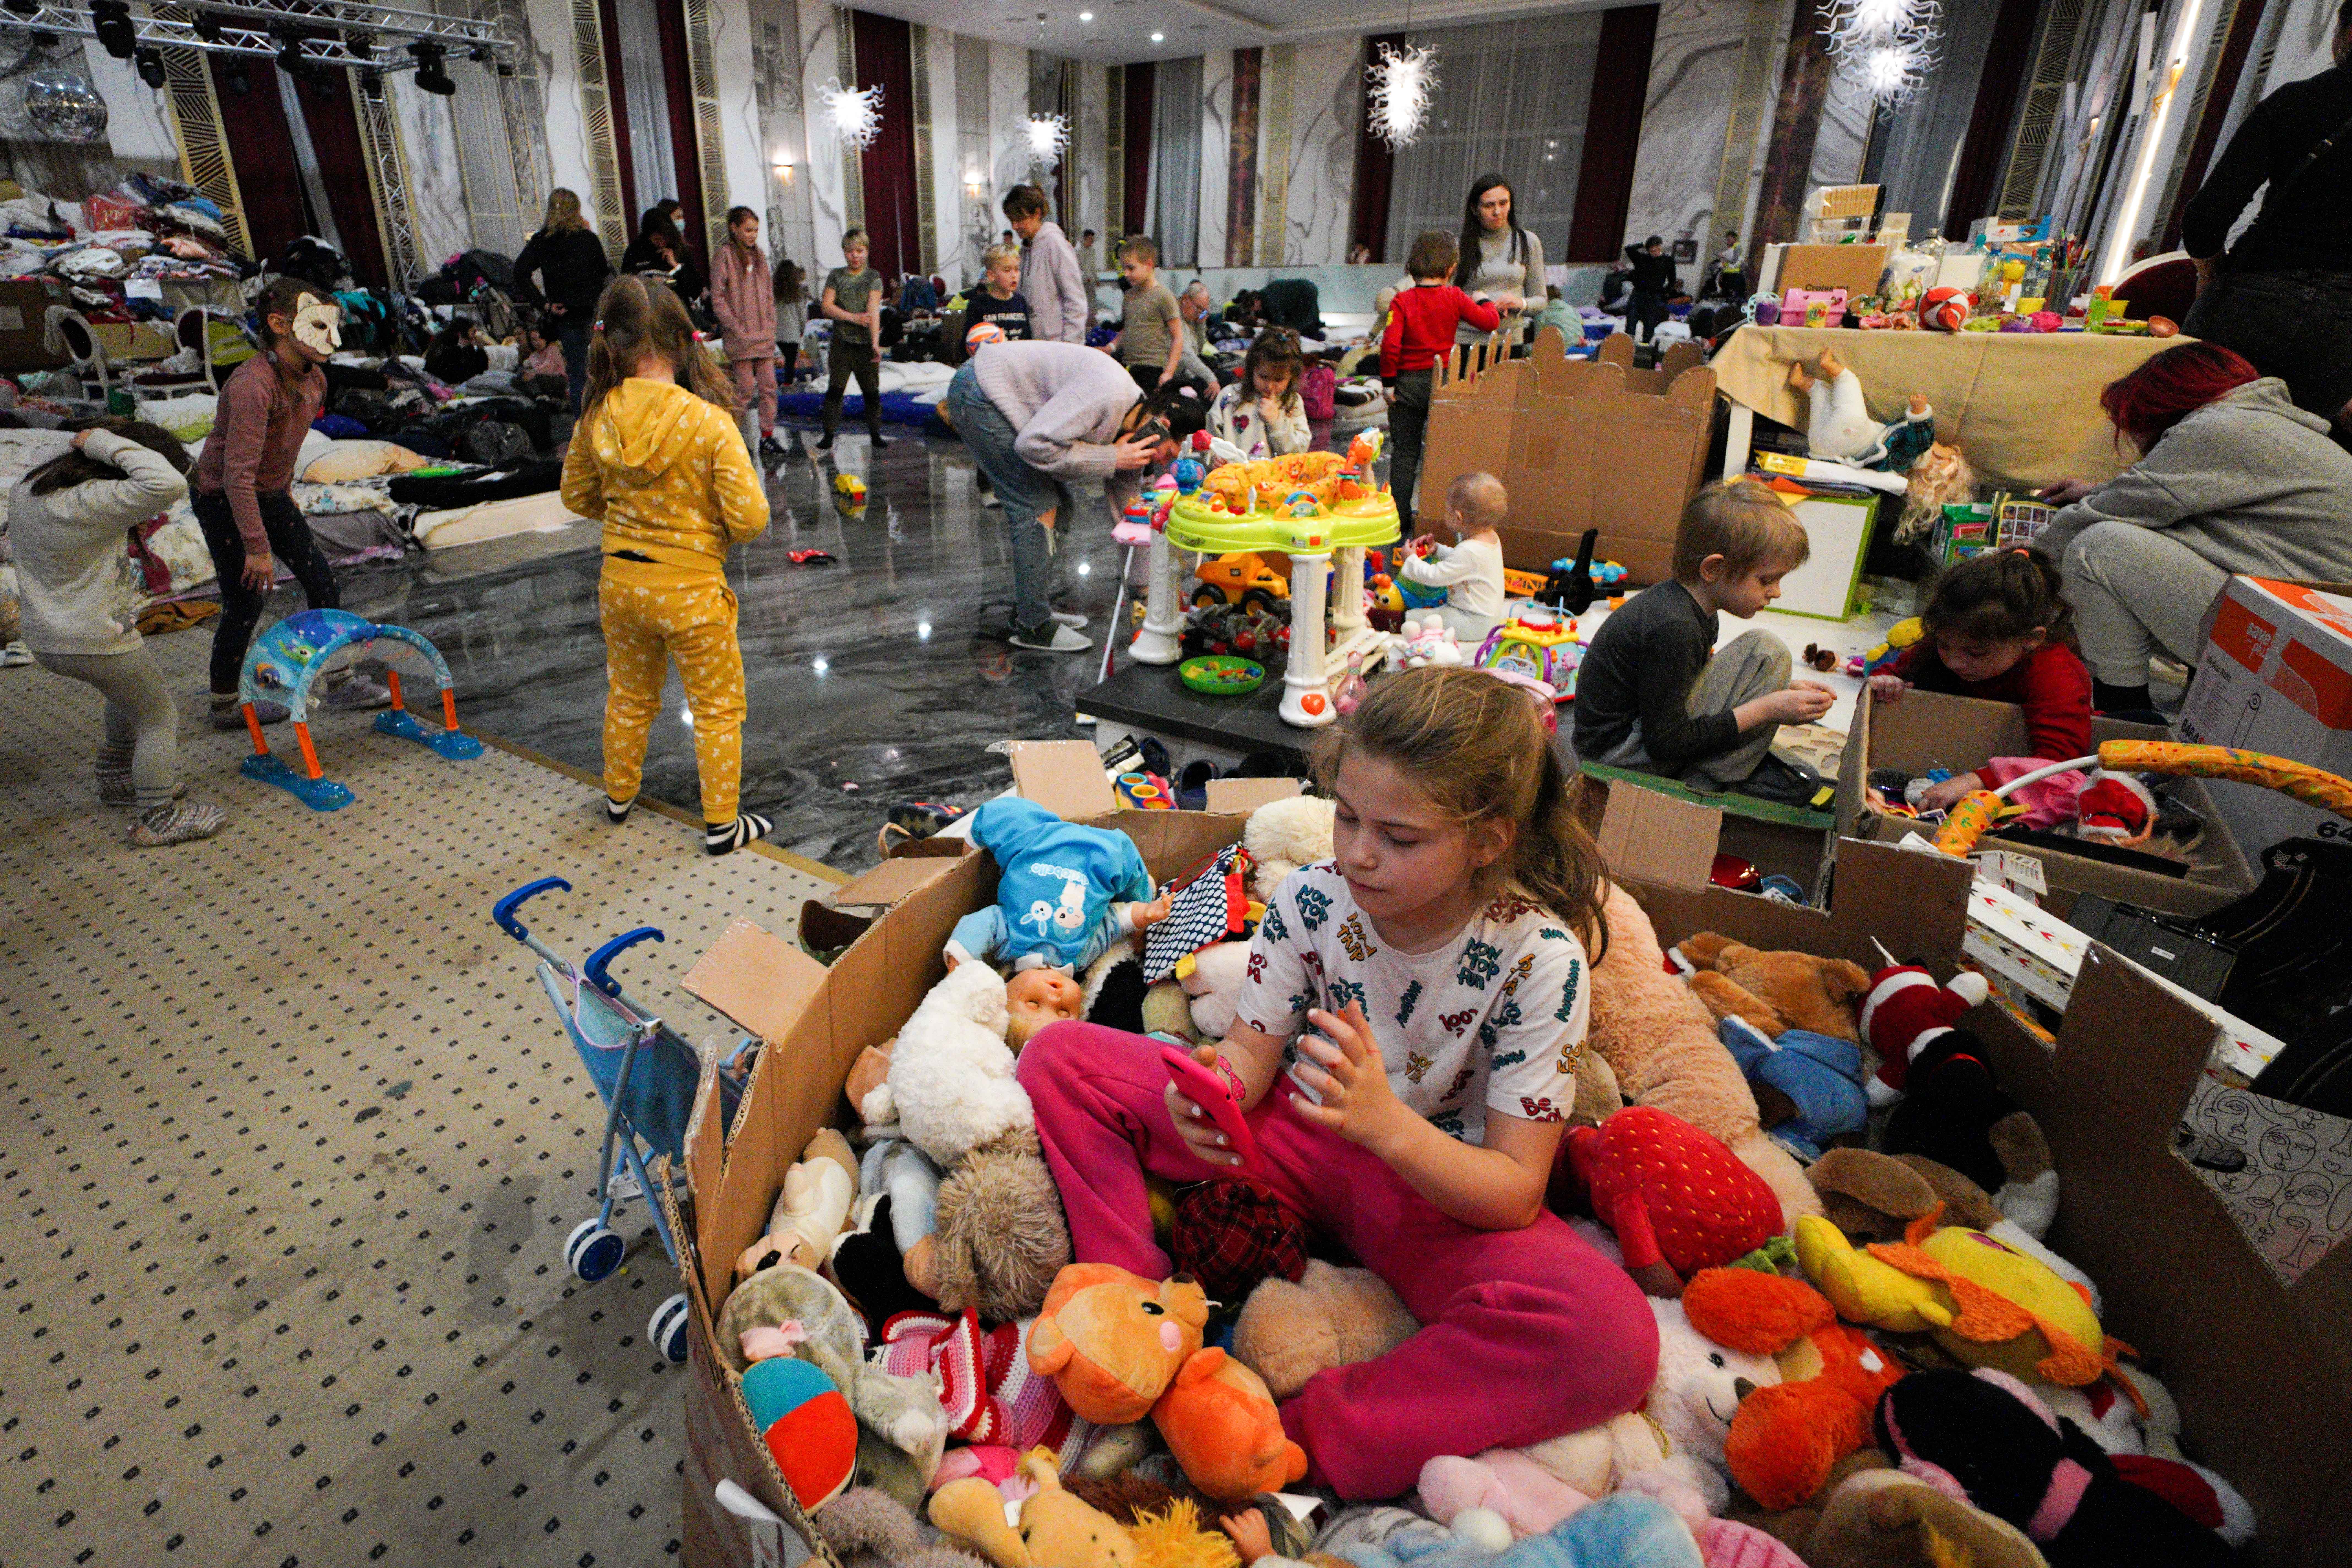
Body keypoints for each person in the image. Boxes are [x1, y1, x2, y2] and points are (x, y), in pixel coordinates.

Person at [1015, 667, 1658, 1500]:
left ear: (1490, 839)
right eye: (1347, 816)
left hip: (1437, 1192)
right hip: (1295, 1133)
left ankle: (1289, 1438)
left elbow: (1511, 1191)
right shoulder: (1315, 898)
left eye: (1398, 835)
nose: (1358, 851)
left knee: (1611, 1337)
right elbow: (1250, 1052)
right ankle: (1136, 1310)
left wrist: (1386, 1124)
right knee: (1061, 1055)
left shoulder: (1541, 961)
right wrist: (1213, 1085)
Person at [561, 275, 773, 856]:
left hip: (621, 584)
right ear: (683, 340)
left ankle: (619, 795)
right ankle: (723, 825)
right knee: (715, 706)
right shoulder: (707, 422)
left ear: (614, 344)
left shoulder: (597, 415)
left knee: (629, 694)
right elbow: (751, 517)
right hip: (691, 591)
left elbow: (576, 498)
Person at [2032, 341, 2352, 712]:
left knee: (2096, 548)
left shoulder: (2217, 428)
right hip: (2325, 627)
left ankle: (2123, 712)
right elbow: (2163, 497)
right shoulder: (2263, 421)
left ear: (2156, 409)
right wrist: (2097, 491)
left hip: (2318, 649)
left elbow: (2117, 511)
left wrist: (2024, 559)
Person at [13, 420, 222, 847]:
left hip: (45, 636)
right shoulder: (95, 499)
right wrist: (104, 442)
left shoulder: (30, 488)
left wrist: (96, 445)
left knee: (124, 694)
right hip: (95, 638)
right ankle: (157, 816)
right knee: (159, 719)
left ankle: (118, 778)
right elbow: (165, 483)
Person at [192, 278, 389, 732]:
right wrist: (258, 546)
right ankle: (224, 701)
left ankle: (338, 680)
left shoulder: (315, 377)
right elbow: (235, 475)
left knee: (325, 584)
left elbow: (278, 457)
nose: (332, 338)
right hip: (223, 496)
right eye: (317, 325)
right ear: (280, 325)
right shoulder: (251, 386)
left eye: (333, 326)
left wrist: (282, 507)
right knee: (245, 599)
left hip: (270, 494)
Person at [1572, 478, 1833, 800]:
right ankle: (1711, 777)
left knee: (1765, 655)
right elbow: (1665, 741)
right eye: (1766, 580)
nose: (1776, 592)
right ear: (1713, 568)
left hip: (1636, 734)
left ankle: (1722, 765)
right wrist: (1767, 708)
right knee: (1767, 649)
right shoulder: (1675, 628)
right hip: (1619, 757)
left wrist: (1780, 688)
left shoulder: (1693, 607)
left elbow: (1685, 684)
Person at [943, 339, 1203, 652]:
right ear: (1160, 427)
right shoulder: (1107, 396)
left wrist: (1144, 589)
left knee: (1062, 506)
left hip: (994, 394)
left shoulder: (1134, 433)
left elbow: (1130, 511)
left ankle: (1030, 608)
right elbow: (1033, 444)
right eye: (1169, 451)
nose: (1167, 462)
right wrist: (1111, 458)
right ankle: (1033, 625)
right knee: (1037, 507)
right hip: (979, 393)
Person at [2179, 0, 2352, 434]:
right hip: (2340, 331)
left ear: (2347, 34)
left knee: (2183, 435)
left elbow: (2204, 219)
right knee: (2274, 459)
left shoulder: (2295, 102)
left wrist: (2208, 275)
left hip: (2254, 299)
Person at [1868, 550, 2094, 808]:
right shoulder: (1954, 635)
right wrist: (1886, 681)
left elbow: (2062, 763)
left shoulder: (2055, 674)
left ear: (2031, 640)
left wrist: (1978, 780)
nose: (1955, 662)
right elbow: (1893, 671)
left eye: (1976, 653)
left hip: (2014, 785)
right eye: (1944, 646)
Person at [1382, 230, 1501, 525]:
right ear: (1450, 269)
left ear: (1410, 267)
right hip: (1441, 383)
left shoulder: (1401, 302)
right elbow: (1490, 322)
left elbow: (1390, 344)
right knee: (1440, 449)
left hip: (1407, 387)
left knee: (1405, 451)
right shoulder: (1455, 297)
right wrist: (1485, 300)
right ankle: (1436, 515)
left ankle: (1399, 518)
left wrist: (1387, 382)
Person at [513, 188, 613, 410]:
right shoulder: (587, 239)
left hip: (564, 314)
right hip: (593, 313)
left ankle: (582, 426)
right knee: (603, 370)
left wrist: (543, 304)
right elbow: (603, 274)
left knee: (578, 373)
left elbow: (520, 271)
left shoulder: (542, 241)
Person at [1398, 471, 1510, 646]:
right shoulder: (1490, 538)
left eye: (1447, 510)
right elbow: (1464, 562)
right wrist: (1438, 550)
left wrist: (1411, 560)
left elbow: (1434, 577)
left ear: (1458, 518)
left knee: (1418, 618)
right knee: (1434, 611)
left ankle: (1385, 620)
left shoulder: (1470, 551)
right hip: (1485, 617)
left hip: (1473, 622)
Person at [709, 205, 783, 463]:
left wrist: (770, 321)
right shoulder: (725, 256)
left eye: (756, 231)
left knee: (769, 387)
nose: (753, 235)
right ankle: (733, 436)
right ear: (735, 228)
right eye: (748, 230)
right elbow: (717, 298)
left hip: (762, 334)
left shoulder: (760, 256)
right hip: (741, 336)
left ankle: (767, 435)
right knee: (744, 388)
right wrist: (735, 326)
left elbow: (769, 294)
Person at [1453, 174, 1545, 354]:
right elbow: (1444, 301)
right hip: (1465, 341)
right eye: (1489, 206)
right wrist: (1482, 307)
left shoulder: (1528, 241)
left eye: (1504, 204)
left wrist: (1520, 303)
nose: (1498, 212)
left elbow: (1541, 300)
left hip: (1511, 342)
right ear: (1474, 209)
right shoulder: (1457, 247)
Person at [818, 227, 886, 451]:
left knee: (872, 392)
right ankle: (829, 433)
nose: (855, 256)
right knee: (835, 390)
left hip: (865, 346)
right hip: (842, 344)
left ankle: (875, 433)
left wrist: (875, 343)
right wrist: (853, 319)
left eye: (860, 251)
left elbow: (873, 310)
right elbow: (827, 307)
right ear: (844, 253)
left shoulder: (873, 277)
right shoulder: (836, 276)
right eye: (850, 252)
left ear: (866, 252)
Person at [1206, 327, 1310, 458]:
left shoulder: (1292, 402)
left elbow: (1300, 451)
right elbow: (1209, 439)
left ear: (1292, 377)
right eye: (1264, 377)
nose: (1270, 386)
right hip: (1233, 475)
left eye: (1279, 380)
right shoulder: (1229, 397)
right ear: (1252, 369)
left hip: (1275, 477)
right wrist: (1215, 457)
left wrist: (1276, 421)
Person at [1005, 186, 1089, 344]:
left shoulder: (1055, 244)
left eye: (1020, 220)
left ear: (1037, 214)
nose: (1015, 227)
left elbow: (1075, 300)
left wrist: (1070, 346)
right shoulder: (1026, 249)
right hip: (1035, 345)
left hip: (1058, 346)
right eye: (1012, 221)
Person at [1109, 236, 1183, 394]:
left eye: (1131, 268)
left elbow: (1178, 337)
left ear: (1149, 265)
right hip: (1128, 367)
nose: (1126, 274)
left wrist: (1169, 372)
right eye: (1124, 269)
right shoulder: (1129, 296)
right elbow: (1128, 329)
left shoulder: (1164, 297)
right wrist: (1111, 347)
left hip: (1153, 368)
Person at [966, 242, 1034, 342]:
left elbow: (1028, 339)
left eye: (1017, 270)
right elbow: (968, 344)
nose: (1014, 275)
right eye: (1007, 270)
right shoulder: (978, 305)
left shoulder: (1021, 302)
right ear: (991, 275)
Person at [1623, 235, 1679, 343]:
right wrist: (1644, 243)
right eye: (1653, 251)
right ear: (1648, 250)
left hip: (1654, 297)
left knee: (1650, 325)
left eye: (1658, 249)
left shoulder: (1668, 261)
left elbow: (1672, 280)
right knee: (1631, 323)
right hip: (1638, 295)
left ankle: (1646, 348)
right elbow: (1629, 249)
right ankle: (1628, 347)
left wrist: (1664, 293)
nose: (1656, 252)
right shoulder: (1642, 259)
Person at [773, 257, 808, 384]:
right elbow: (802, 314)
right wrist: (803, 329)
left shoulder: (774, 291)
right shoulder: (797, 292)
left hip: (777, 332)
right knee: (790, 362)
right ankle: (789, 386)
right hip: (793, 332)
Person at [1710, 229, 1747, 301]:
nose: (1728, 241)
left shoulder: (1737, 247)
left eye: (1729, 239)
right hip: (1728, 272)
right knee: (1725, 291)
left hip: (1734, 274)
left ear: (1734, 239)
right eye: (1727, 240)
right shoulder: (1731, 248)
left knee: (1731, 293)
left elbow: (1734, 261)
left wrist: (1723, 257)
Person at [1076, 227, 1101, 324]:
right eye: (1090, 239)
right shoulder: (1078, 251)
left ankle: (1092, 321)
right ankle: (1083, 322)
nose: (1091, 242)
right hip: (1081, 282)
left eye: (1093, 240)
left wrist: (1096, 278)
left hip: (1091, 281)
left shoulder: (1092, 251)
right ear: (1085, 239)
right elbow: (1077, 268)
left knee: (1092, 302)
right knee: (1082, 303)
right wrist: (1085, 278)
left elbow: (1092, 267)